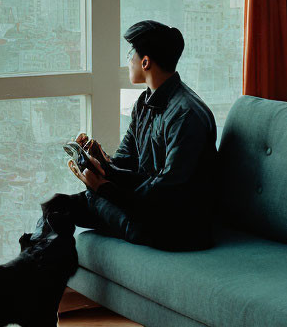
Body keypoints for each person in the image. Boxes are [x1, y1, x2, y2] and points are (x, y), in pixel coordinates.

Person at [42, 20, 217, 251]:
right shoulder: (144, 104)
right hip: (143, 207)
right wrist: (100, 161)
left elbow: (166, 192)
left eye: (130, 53)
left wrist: (103, 188)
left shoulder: (186, 115)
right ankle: (32, 269)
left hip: (175, 226)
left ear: (145, 62)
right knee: (55, 207)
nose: (127, 60)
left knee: (91, 199)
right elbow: (125, 161)